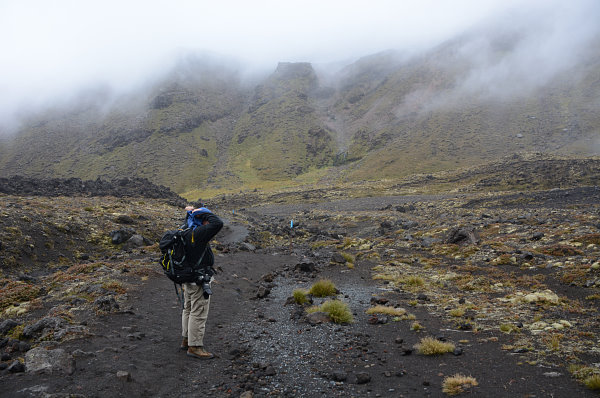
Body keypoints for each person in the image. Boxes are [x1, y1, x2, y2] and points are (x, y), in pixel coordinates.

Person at [180, 205, 223, 359]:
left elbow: (189, 220)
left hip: (188, 277)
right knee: (198, 312)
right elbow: (218, 223)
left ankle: (186, 339)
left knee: (188, 309)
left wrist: (191, 214)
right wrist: (203, 213)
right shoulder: (199, 233)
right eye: (206, 220)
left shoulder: (185, 230)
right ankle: (195, 346)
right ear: (202, 220)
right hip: (198, 279)